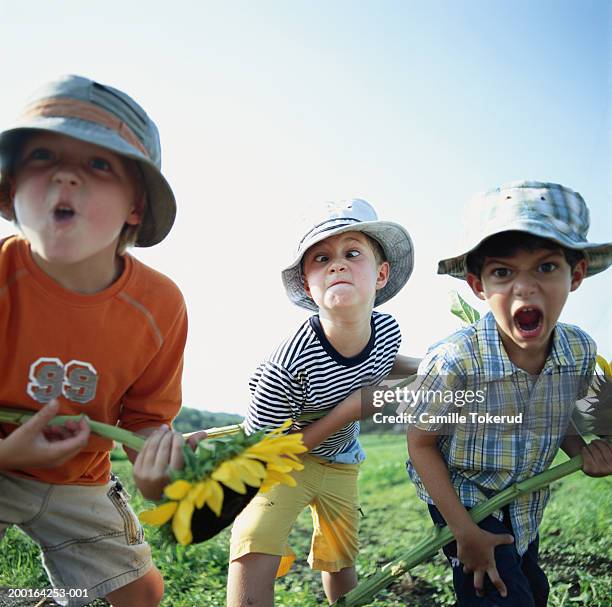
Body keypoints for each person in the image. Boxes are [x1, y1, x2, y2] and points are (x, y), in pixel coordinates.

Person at [0, 74, 186, 607]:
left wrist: (157, 470)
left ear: (136, 207)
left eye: (99, 164)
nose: (65, 175)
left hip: (81, 476)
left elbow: (148, 420)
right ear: (12, 189)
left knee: (141, 596)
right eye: (41, 155)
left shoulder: (160, 306)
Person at [407, 181, 612, 607]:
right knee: (499, 593)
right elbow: (421, 443)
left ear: (575, 275)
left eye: (546, 267)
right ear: (477, 284)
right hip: (462, 495)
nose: (525, 287)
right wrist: (463, 531)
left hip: (524, 497)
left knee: (532, 590)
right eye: (503, 272)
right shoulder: (455, 361)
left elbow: (560, 418)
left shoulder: (578, 351)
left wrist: (582, 451)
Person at [227, 199, 417, 606]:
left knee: (340, 556)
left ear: (381, 274)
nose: (338, 265)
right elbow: (264, 451)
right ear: (307, 284)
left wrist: (435, 366)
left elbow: (382, 358)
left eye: (352, 253)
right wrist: (351, 410)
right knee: (254, 539)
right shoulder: (289, 362)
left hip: (341, 462)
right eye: (321, 258)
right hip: (281, 460)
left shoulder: (386, 330)